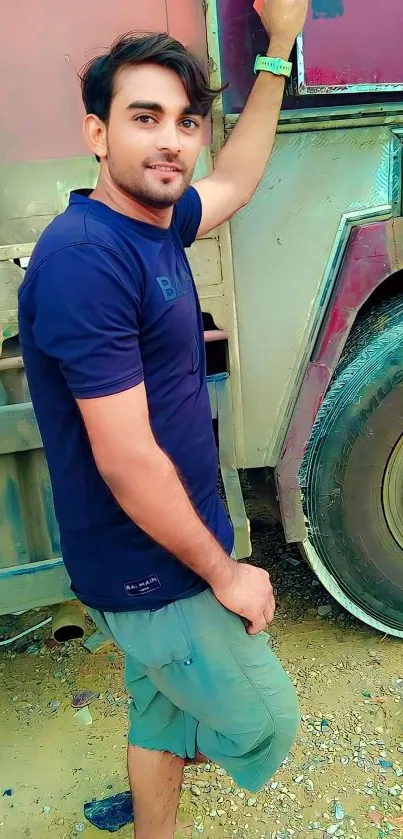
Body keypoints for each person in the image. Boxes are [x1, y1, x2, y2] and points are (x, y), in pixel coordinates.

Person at [18, 1, 308, 836]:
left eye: (186, 122)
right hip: (152, 568)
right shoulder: (87, 259)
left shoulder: (151, 226)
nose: (172, 139)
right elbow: (127, 459)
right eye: (144, 117)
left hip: (164, 546)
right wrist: (224, 573)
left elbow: (240, 177)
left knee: (156, 711)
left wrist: (278, 47)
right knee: (265, 719)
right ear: (98, 134)